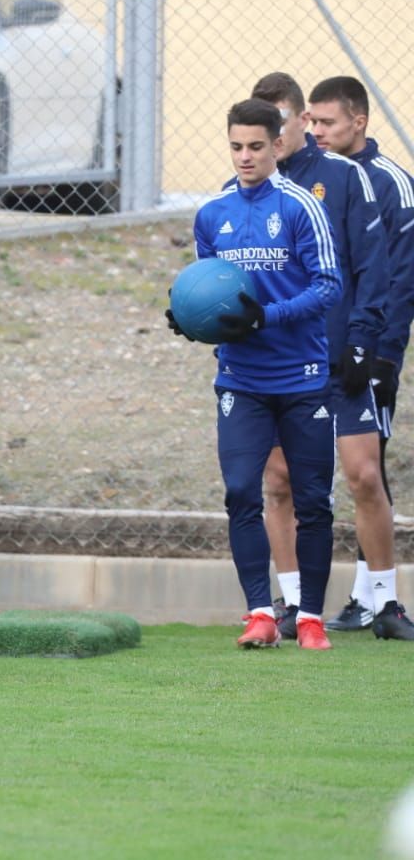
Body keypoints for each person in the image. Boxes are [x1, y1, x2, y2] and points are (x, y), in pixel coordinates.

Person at [167, 98, 340, 650]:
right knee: (242, 492)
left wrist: (269, 315)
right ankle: (259, 613)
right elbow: (208, 289)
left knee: (312, 499)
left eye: (256, 147)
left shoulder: (299, 207)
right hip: (240, 380)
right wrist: (191, 321)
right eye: (237, 146)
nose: (246, 156)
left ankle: (310, 618)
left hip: (302, 377)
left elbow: (329, 286)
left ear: (277, 145)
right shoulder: (211, 213)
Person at [240, 73, 394, 641]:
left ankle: (386, 602)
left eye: (278, 125)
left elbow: (373, 270)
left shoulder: (344, 178)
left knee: (362, 474)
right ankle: (294, 605)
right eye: (258, 132)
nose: (269, 139)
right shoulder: (248, 194)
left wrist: (362, 340)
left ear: (299, 120)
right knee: (278, 482)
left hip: (339, 359)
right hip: (279, 364)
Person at [302, 75, 414, 638]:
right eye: (311, 122)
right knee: (343, 471)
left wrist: (386, 354)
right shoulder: (318, 178)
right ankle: (362, 595)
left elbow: (398, 277)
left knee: (369, 468)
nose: (315, 131)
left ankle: (383, 600)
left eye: (326, 122)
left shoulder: (391, 181)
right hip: (329, 350)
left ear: (359, 122)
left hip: (374, 352)